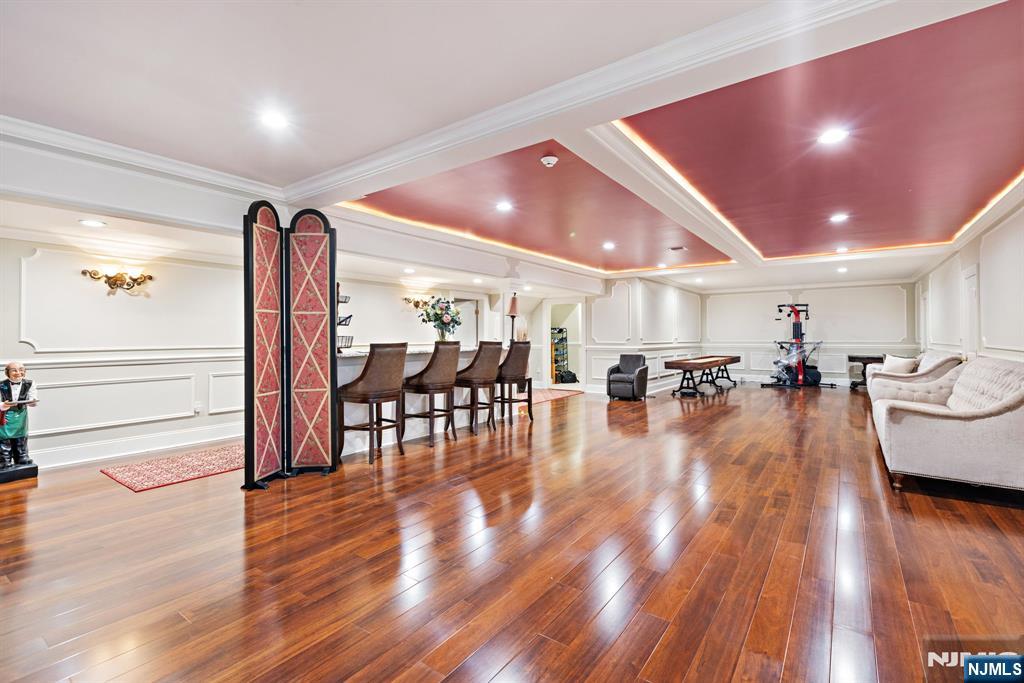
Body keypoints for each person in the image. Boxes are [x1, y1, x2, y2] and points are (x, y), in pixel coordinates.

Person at [1, 362, 37, 469]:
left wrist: (33, 401)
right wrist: (4, 405)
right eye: (14, 370)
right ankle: (4, 459)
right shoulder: (1, 385)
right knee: (4, 437)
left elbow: (32, 398)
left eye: (21, 370)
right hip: (5, 414)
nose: (18, 373)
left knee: (21, 434)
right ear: (8, 373)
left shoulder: (29, 383)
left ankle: (22, 456)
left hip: (21, 413)